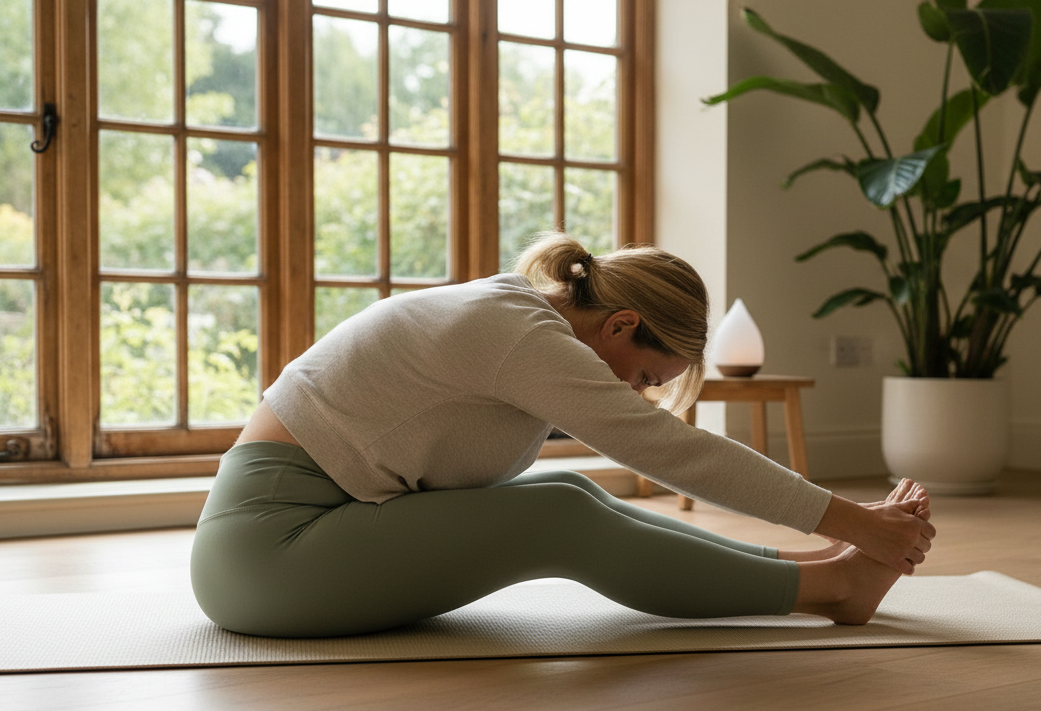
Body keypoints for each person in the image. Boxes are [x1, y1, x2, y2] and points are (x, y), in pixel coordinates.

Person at [190, 232, 934, 638]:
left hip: (308, 530)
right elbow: (674, 451)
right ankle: (831, 587)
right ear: (618, 326)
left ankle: (809, 566)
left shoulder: (519, 321)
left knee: (568, 494)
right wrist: (858, 519)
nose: (637, 397)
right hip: (269, 555)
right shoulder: (517, 334)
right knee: (560, 515)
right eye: (646, 378)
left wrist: (834, 529)